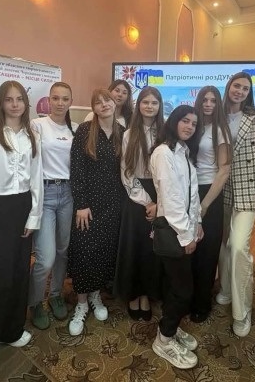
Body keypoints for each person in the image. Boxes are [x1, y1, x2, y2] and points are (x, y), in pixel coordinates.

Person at [0, 81, 43, 367]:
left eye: (20, 99)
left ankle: (12, 329)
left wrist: (34, 215)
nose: (15, 105)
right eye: (9, 99)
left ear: (26, 103)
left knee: (18, 271)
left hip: (22, 206)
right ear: (0, 103)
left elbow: (36, 176)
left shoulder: (32, 134)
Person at [217, 71, 255, 337]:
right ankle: (226, 288)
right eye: (236, 86)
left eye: (245, 88)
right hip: (219, 188)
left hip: (248, 190)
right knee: (223, 245)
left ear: (249, 93)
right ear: (229, 87)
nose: (239, 91)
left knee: (239, 247)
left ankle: (242, 312)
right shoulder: (216, 114)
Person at [67, 88, 124, 336]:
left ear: (115, 103)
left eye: (107, 100)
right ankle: (81, 303)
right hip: (88, 205)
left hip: (114, 203)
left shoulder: (123, 133)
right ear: (94, 108)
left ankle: (95, 296)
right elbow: (77, 169)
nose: (104, 105)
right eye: (98, 102)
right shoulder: (84, 130)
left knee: (104, 251)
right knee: (84, 252)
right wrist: (81, 204)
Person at [149, 105, 203, 370]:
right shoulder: (163, 153)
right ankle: (164, 339)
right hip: (173, 230)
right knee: (183, 290)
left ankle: (170, 327)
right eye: (185, 121)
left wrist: (198, 222)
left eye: (193, 123)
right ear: (174, 122)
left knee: (176, 286)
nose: (189, 126)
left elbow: (191, 194)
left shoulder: (184, 152)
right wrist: (185, 235)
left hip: (185, 227)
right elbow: (170, 199)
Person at [28, 82, 78, 329]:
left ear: (70, 102)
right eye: (55, 98)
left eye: (65, 99)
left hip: (68, 193)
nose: (60, 103)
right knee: (45, 258)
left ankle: (56, 294)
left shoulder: (75, 129)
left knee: (63, 251)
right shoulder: (37, 125)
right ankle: (35, 301)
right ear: (49, 100)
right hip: (45, 194)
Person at [114, 86, 164, 320]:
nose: (150, 106)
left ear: (159, 106)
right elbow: (127, 172)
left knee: (151, 250)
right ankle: (133, 294)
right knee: (134, 248)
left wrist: (159, 202)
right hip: (136, 196)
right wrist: (147, 202)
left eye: (154, 103)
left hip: (161, 193)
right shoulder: (128, 134)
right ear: (138, 105)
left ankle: (147, 294)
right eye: (145, 102)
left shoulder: (165, 133)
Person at [190, 86, 232, 323]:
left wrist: (205, 204)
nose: (208, 104)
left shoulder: (220, 130)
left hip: (210, 193)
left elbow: (224, 170)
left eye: (213, 100)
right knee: (189, 248)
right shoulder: (193, 125)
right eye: (204, 100)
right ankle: (187, 296)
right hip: (189, 190)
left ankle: (202, 302)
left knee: (207, 251)